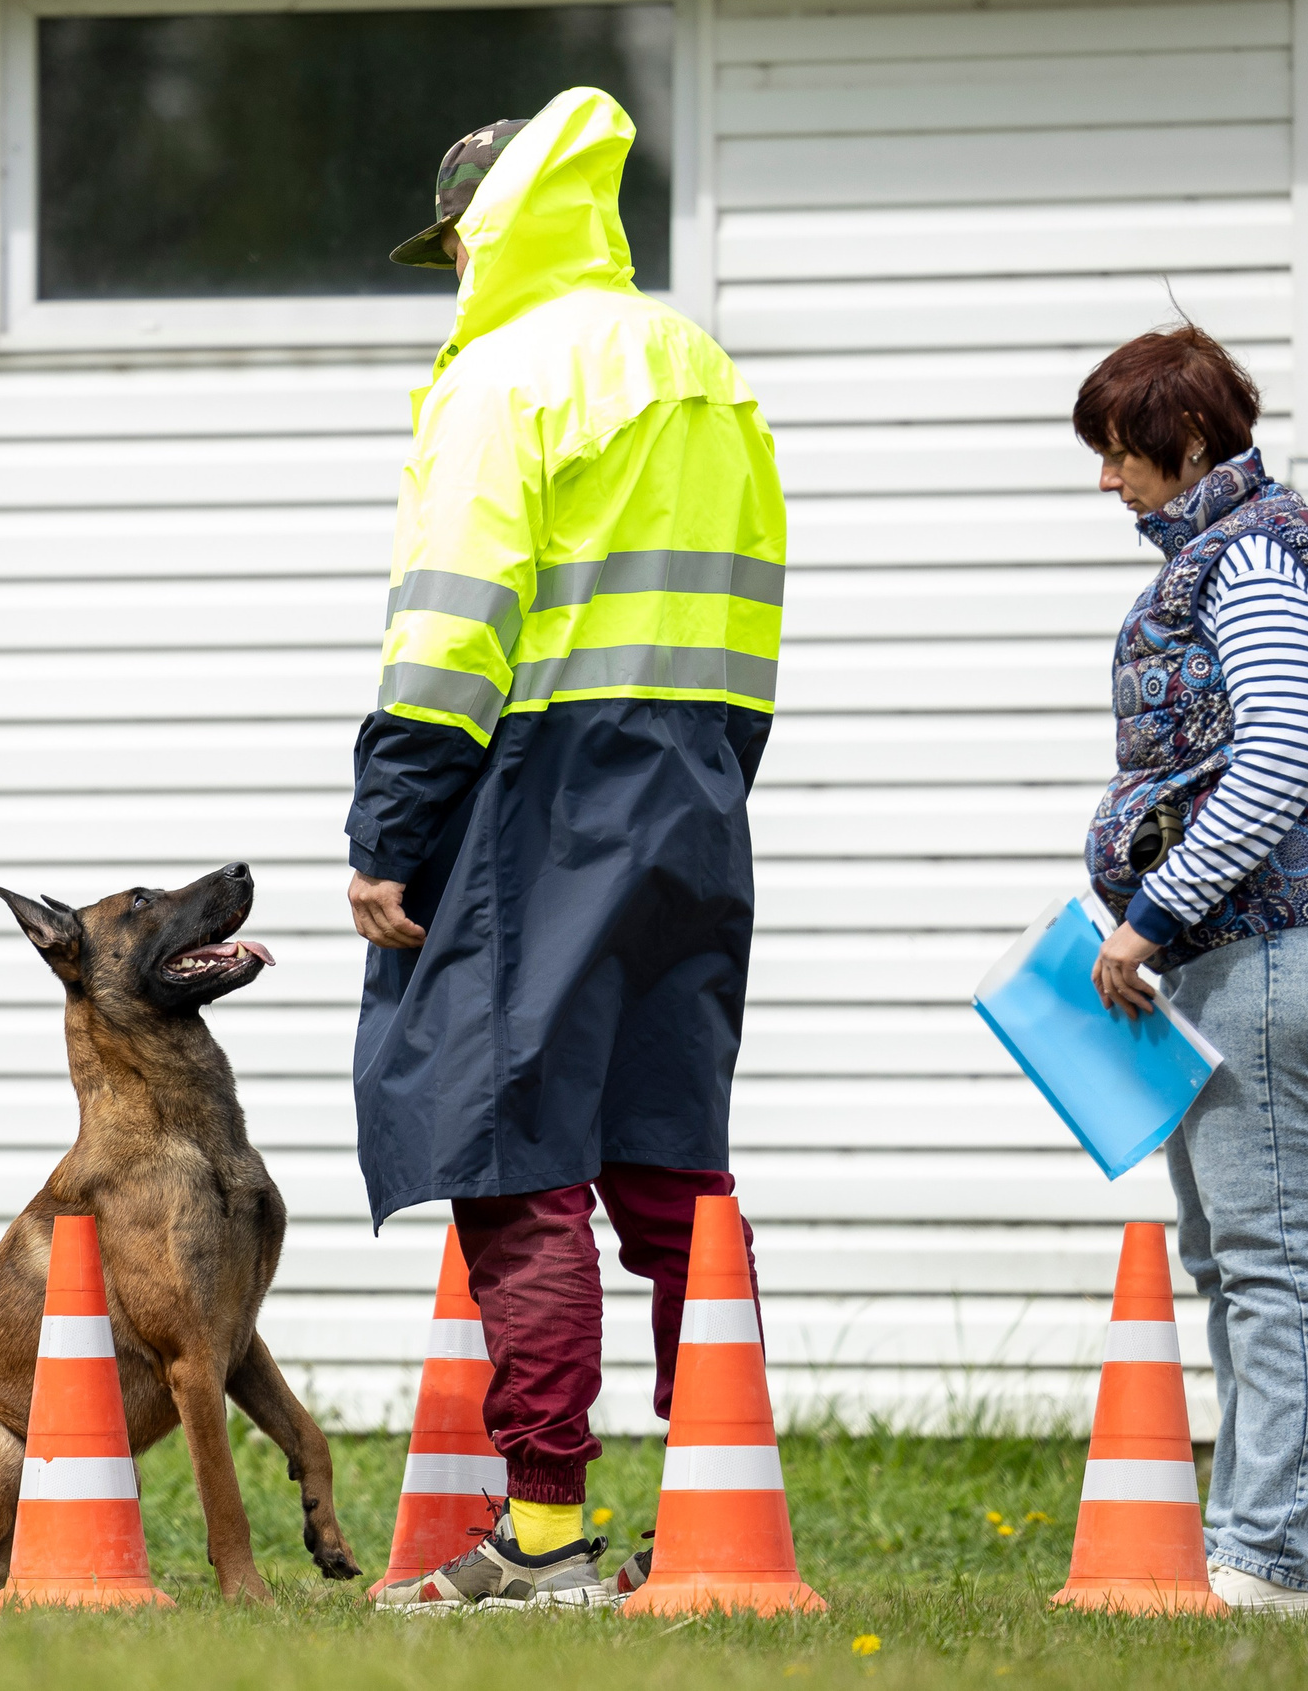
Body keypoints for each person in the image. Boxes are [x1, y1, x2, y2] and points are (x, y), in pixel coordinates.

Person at [348, 89, 787, 1612]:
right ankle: (720, 1519)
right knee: (670, 1158)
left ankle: (543, 1537)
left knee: (512, 1145)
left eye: (453, 247)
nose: (453, 277)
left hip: (542, 790)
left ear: (488, 228)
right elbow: (746, 623)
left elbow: (451, 628)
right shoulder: (705, 374)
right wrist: (707, 785)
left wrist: (392, 830)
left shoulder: (504, 377)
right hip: (698, 789)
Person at [1074, 326, 1308, 1620]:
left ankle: (1271, 1566)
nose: (1107, 480)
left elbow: (1278, 755)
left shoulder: (1249, 555)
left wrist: (1150, 915)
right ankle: (1254, 1549)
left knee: (1278, 1263)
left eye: (1120, 450)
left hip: (1272, 944)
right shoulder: (1231, 550)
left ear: (1191, 439)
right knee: (1241, 1257)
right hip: (1248, 948)